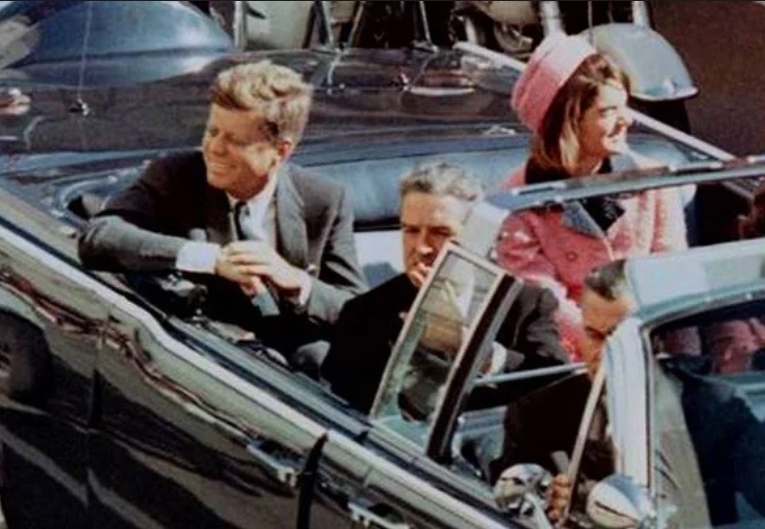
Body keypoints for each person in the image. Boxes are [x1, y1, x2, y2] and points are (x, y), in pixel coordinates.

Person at [78, 60, 368, 367]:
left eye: (235, 140)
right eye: (212, 131)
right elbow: (99, 238)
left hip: (289, 374)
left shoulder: (323, 199)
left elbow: (360, 313)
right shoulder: (177, 177)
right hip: (200, 362)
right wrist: (212, 259)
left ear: (280, 151)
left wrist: (297, 282)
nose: (214, 148)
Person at [495, 33, 688, 361]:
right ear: (568, 122)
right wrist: (613, 348)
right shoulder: (519, 201)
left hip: (653, 343)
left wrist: (686, 366)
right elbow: (547, 304)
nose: (627, 120)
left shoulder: (651, 181)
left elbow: (672, 275)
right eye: (609, 111)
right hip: (571, 360)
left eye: (625, 106)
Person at [321, 162, 568, 414]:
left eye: (440, 232)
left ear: (478, 236)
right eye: (411, 230)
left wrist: (470, 348)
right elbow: (349, 413)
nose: (421, 247)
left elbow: (557, 389)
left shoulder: (525, 304)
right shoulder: (364, 314)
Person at [491, 259, 635, 520]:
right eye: (593, 335)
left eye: (618, 339)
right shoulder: (537, 416)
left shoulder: (698, 412)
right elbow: (516, 511)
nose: (604, 353)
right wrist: (550, 507)